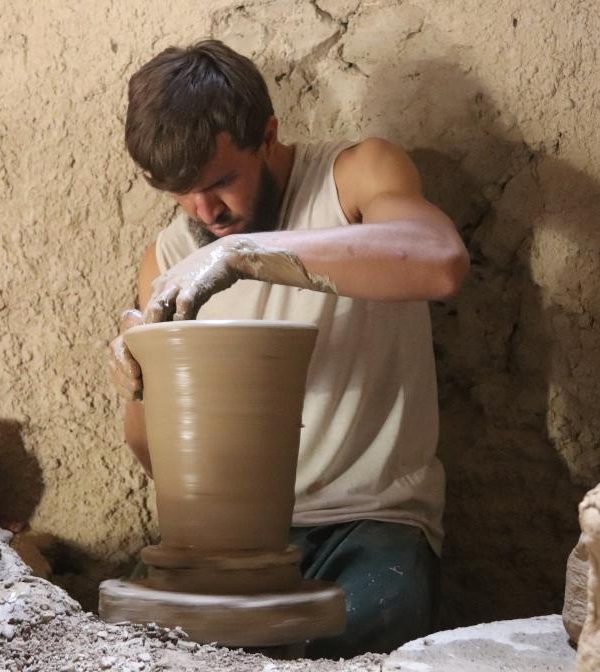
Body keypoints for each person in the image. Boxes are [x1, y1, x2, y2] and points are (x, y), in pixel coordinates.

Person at [107, 39, 468, 659]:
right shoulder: (169, 258)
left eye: (222, 181)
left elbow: (440, 263)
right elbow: (155, 456)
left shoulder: (353, 177)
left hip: (373, 518)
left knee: (357, 635)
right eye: (182, 193)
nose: (206, 211)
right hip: (234, 541)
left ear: (268, 135)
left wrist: (246, 255)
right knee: (125, 646)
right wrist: (141, 384)